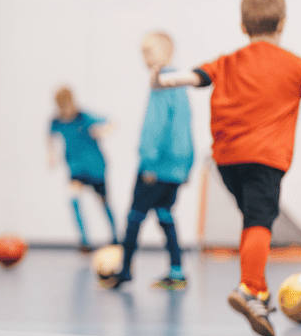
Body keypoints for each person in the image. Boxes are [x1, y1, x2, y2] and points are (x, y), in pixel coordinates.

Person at [151, 0, 301, 336]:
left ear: (242, 25)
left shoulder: (226, 61)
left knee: (254, 223)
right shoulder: (296, 67)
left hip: (227, 162)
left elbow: (193, 77)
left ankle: (260, 292)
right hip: (265, 159)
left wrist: (164, 78)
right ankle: (249, 289)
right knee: (259, 222)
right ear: (282, 23)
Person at [102, 32, 193, 291]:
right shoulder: (180, 84)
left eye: (149, 52)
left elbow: (157, 126)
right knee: (165, 214)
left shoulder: (161, 82)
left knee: (134, 216)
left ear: (167, 51)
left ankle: (125, 269)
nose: (144, 58)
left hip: (156, 166)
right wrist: (185, 166)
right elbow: (185, 127)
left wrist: (149, 162)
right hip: (174, 167)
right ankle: (177, 270)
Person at [48, 87, 118, 251]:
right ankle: (85, 241)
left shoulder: (85, 117)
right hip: (76, 168)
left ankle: (116, 237)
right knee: (73, 197)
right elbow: (50, 137)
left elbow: (112, 122)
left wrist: (103, 131)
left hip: (95, 167)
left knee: (104, 203)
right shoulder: (56, 121)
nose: (65, 111)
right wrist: (51, 155)